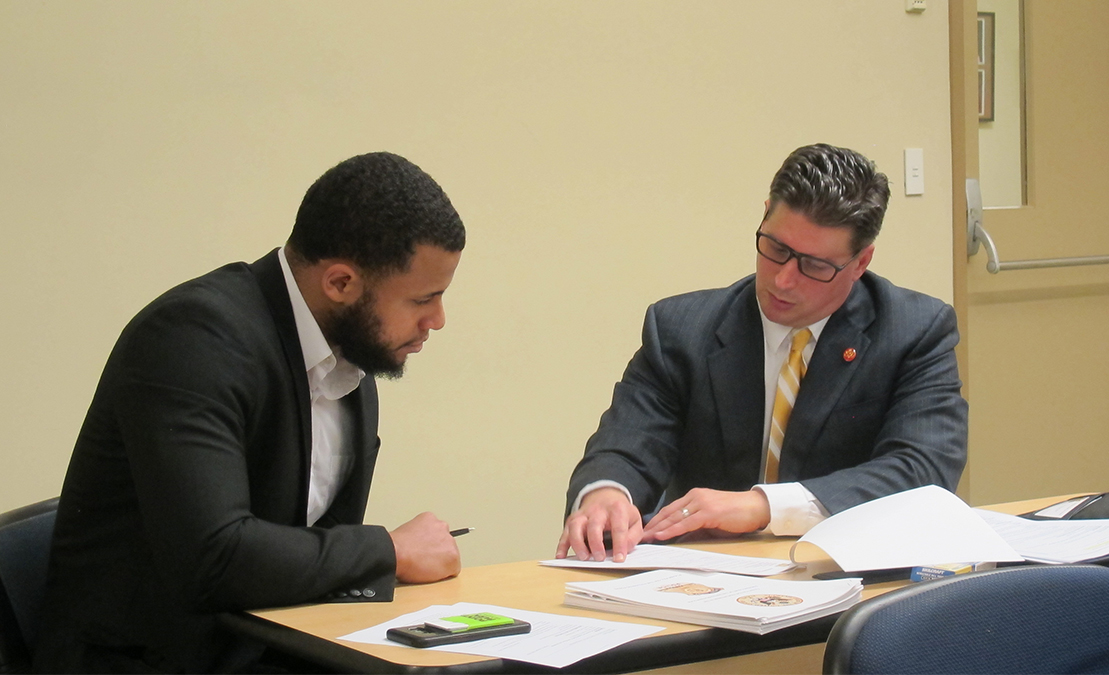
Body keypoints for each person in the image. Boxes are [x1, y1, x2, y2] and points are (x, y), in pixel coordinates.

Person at [36, 152, 466, 673]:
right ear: (341, 284)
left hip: (264, 650)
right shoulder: (192, 339)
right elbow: (213, 557)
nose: (437, 321)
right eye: (425, 299)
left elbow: (313, 557)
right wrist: (388, 551)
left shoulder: (348, 359)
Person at [557, 143, 967, 563]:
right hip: (703, 580)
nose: (785, 279)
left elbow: (923, 469)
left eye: (816, 266)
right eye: (775, 248)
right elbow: (628, 444)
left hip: (843, 575)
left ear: (861, 263)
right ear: (765, 213)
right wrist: (606, 492)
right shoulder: (681, 328)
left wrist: (762, 507)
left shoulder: (914, 331)